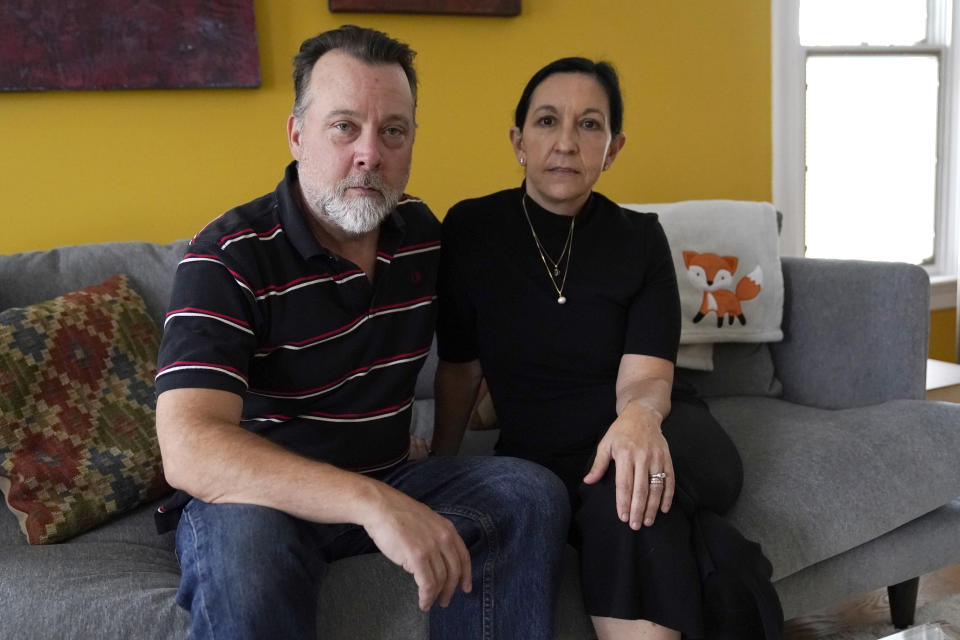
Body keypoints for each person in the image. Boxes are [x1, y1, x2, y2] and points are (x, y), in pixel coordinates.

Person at [153, 25, 570, 640]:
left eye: (393, 131)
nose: (370, 154)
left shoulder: (424, 237)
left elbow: (486, 353)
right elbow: (189, 446)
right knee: (249, 562)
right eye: (344, 126)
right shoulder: (229, 256)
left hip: (392, 470)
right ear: (298, 134)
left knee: (529, 492)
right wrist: (372, 502)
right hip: (258, 498)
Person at [433, 57, 782, 639]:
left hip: (663, 429)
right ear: (518, 140)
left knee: (626, 496)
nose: (566, 142)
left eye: (589, 125)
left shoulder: (638, 239)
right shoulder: (471, 230)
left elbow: (646, 380)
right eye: (547, 121)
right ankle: (722, 559)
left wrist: (640, 422)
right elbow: (460, 365)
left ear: (613, 148)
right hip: (542, 455)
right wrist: (442, 468)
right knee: (629, 499)